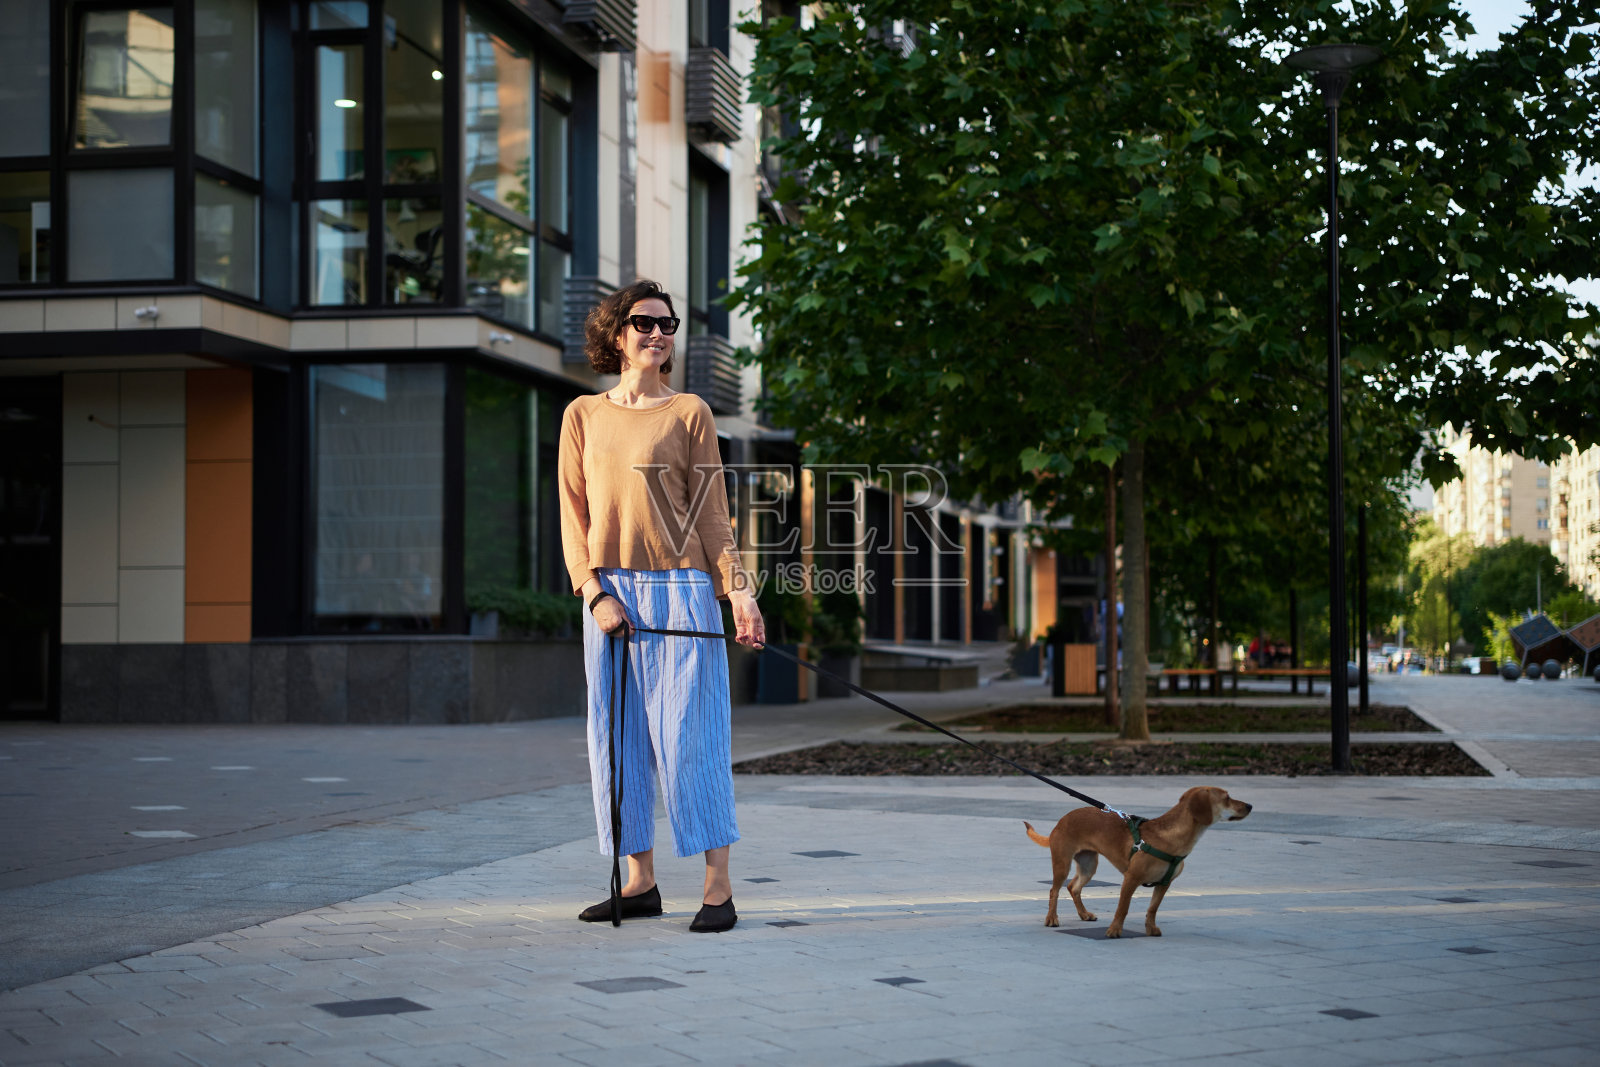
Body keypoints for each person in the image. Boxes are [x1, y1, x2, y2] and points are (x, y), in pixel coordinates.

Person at [558, 279, 765, 933]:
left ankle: (718, 887)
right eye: (644, 322)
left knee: (691, 741)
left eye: (667, 324)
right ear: (615, 332)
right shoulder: (582, 415)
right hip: (612, 597)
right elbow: (572, 516)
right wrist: (594, 595)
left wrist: (739, 592)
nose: (657, 333)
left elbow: (713, 516)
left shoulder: (691, 413)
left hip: (680, 591)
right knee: (617, 742)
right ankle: (639, 881)